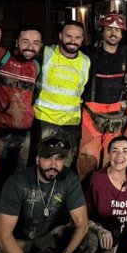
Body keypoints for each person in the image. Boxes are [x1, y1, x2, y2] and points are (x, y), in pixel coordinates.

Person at [0, 137, 97, 253]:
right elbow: (3, 234)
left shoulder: (68, 179)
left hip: (48, 240)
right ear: (37, 159)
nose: (53, 164)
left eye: (59, 159)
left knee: (90, 241)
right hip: (20, 244)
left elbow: (82, 223)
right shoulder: (18, 182)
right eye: (48, 158)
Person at [79, 12, 127, 176]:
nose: (113, 33)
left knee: (113, 159)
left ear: (122, 34)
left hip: (115, 115)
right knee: (87, 160)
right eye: (109, 29)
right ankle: (85, 198)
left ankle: (107, 196)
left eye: (117, 30)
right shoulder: (87, 54)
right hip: (90, 115)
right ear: (102, 31)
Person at [33, 20, 90, 167]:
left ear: (83, 39)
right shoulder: (46, 53)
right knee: (43, 164)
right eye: (68, 36)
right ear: (60, 36)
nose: (73, 41)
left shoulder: (85, 61)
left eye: (77, 37)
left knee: (66, 166)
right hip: (44, 120)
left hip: (70, 123)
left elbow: (81, 90)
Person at [0, 25, 43, 173]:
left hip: (24, 134)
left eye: (36, 43)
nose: (30, 47)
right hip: (0, 132)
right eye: (25, 41)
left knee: (18, 180)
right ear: (16, 41)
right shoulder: (0, 56)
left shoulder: (36, 66)